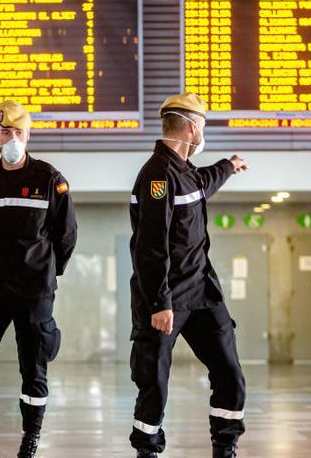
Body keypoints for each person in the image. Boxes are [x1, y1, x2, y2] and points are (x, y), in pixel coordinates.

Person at [128, 92, 249, 458]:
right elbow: (150, 247)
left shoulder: (185, 172)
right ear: (193, 127)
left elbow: (204, 183)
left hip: (201, 294)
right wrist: (159, 302)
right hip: (166, 298)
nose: (203, 134)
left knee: (229, 372)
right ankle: (147, 450)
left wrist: (228, 165)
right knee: (154, 382)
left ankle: (225, 446)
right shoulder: (157, 175)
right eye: (204, 126)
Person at [0, 100, 78, 458]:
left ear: (29, 135)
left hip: (34, 291)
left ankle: (30, 441)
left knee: (35, 367)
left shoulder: (49, 179)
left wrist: (46, 272)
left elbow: (67, 234)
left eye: (20, 133)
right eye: (6, 132)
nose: (13, 138)